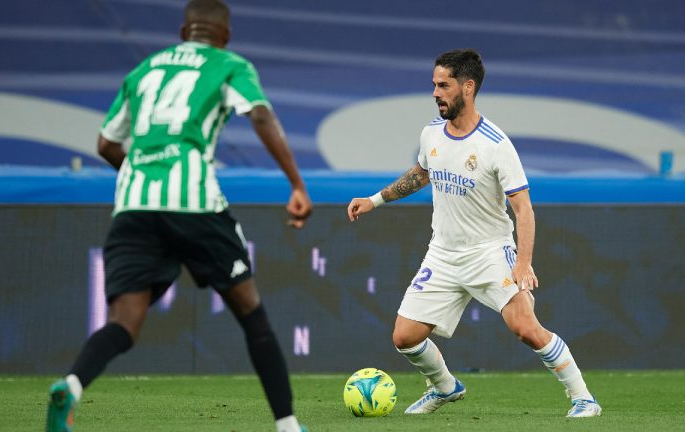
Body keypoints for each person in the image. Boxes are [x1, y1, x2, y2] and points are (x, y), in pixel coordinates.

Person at [45, 1, 312, 431]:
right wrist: (296, 184)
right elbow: (259, 113)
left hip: (133, 203)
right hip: (194, 203)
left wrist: (145, 173)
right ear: (224, 36)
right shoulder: (228, 63)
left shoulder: (144, 70)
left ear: (184, 31)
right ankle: (287, 426)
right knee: (251, 314)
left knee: (124, 323)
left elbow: (106, 144)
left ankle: (72, 386)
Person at [347, 48, 601, 418]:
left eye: (444, 85)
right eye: (434, 85)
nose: (435, 93)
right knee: (404, 337)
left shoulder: (495, 144)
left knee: (525, 328)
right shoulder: (431, 132)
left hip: (490, 251)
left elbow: (523, 209)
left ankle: (583, 399)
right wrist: (374, 200)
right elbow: (421, 173)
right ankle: (446, 387)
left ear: (467, 87)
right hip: (443, 253)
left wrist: (523, 264)